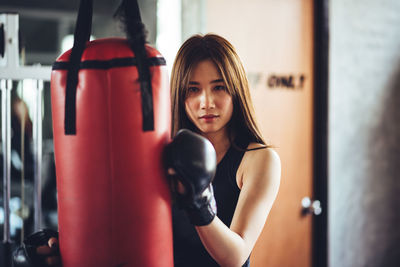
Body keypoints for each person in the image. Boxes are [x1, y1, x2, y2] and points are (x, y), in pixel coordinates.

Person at [33, 33, 281, 267]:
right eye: (193, 89)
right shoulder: (163, 153)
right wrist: (69, 245)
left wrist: (198, 203)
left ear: (236, 90)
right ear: (180, 95)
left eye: (219, 87)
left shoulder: (259, 160)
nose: (206, 102)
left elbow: (235, 257)